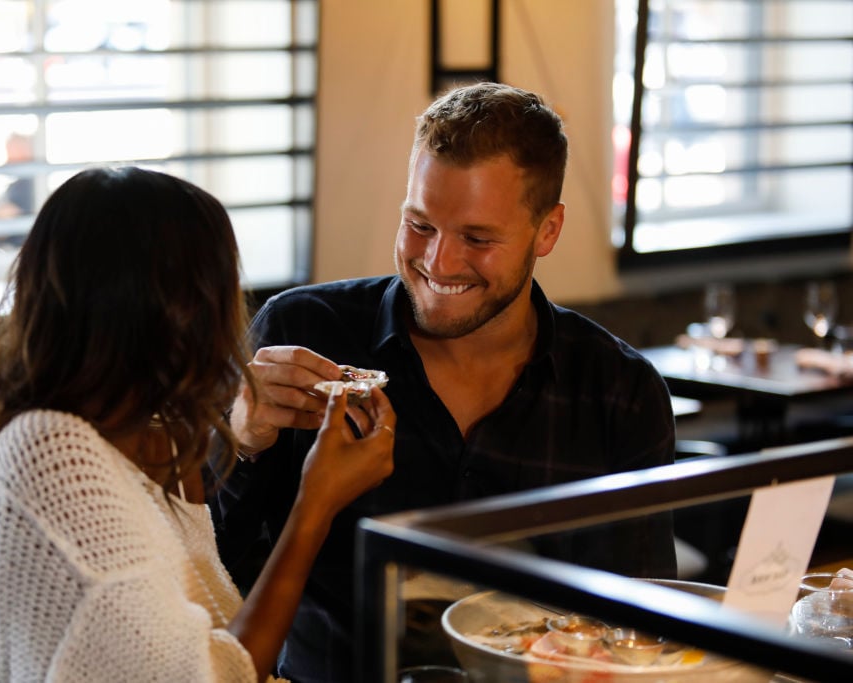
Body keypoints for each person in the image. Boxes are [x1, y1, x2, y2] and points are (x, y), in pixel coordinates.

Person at [211, 82, 678, 683]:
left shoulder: (619, 390)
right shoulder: (303, 332)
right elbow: (201, 567)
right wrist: (243, 440)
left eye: (478, 239)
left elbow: (637, 622)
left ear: (547, 232)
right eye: (420, 224)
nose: (439, 262)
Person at [0, 166, 396, 682]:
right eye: (222, 289)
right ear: (178, 310)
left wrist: (246, 436)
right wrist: (316, 505)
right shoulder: (50, 453)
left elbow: (203, 606)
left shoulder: (155, 435)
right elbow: (213, 672)